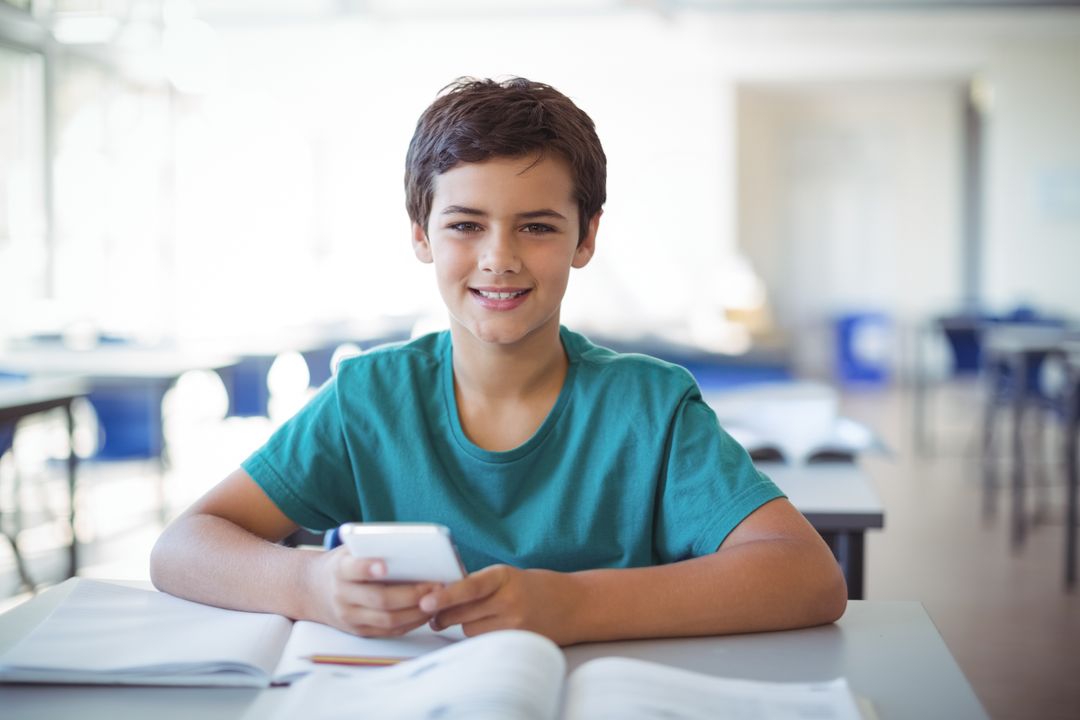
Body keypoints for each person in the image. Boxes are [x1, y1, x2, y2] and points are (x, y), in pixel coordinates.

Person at [150, 77, 846, 646]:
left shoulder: (651, 407)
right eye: (465, 225)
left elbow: (808, 577)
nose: (499, 258)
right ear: (421, 234)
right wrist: (311, 586)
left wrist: (573, 606)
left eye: (537, 227)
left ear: (586, 237)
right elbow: (182, 547)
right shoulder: (370, 398)